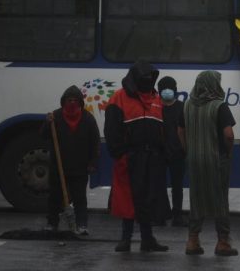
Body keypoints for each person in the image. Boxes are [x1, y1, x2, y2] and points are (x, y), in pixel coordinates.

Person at [104, 60, 170, 252]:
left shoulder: (156, 99)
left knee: (149, 199)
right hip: (130, 157)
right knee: (128, 198)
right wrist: (120, 154)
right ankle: (126, 238)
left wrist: (164, 153)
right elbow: (111, 130)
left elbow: (163, 129)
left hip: (152, 159)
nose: (148, 82)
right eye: (145, 79)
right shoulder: (119, 98)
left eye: (150, 78)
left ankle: (147, 239)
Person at [180, 70, 238, 256]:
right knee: (220, 199)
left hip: (194, 160)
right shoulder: (219, 106)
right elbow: (229, 134)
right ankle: (222, 242)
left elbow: (180, 131)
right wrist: (228, 152)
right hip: (216, 160)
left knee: (197, 199)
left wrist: (189, 150)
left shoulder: (187, 105)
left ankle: (192, 240)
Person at [41, 85, 100, 235]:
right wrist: (47, 123)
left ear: (80, 102)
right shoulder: (55, 117)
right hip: (58, 166)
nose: (72, 103)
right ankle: (52, 223)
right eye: (69, 100)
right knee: (55, 196)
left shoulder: (88, 119)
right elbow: (43, 135)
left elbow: (95, 143)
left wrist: (92, 162)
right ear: (64, 102)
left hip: (80, 167)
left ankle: (82, 224)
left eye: (75, 100)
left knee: (80, 197)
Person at [158, 76, 186, 227]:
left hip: (178, 153)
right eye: (164, 88)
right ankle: (162, 214)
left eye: (169, 87)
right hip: (159, 152)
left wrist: (184, 148)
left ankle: (177, 216)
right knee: (159, 185)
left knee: (177, 186)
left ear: (175, 90)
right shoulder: (155, 107)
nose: (167, 91)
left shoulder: (182, 107)